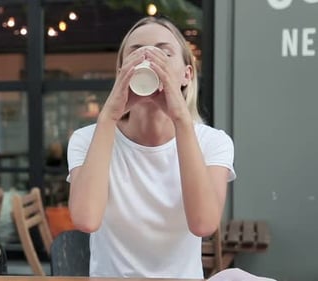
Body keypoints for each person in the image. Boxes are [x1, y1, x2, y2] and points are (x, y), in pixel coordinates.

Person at [67, 16, 236, 279]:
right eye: (136, 53)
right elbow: (86, 220)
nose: (149, 60)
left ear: (186, 75)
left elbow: (203, 224)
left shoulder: (212, 142)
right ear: (121, 72)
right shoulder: (88, 139)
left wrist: (181, 118)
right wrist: (108, 116)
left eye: (164, 53)